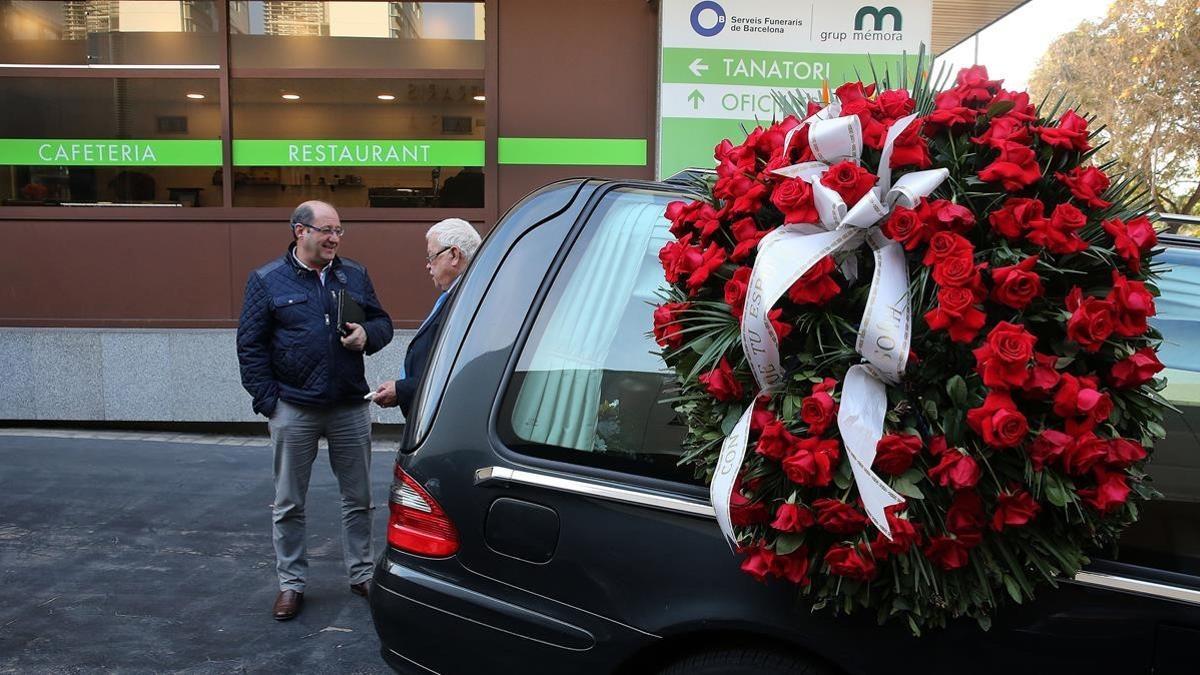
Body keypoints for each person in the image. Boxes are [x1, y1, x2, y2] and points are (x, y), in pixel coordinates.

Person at [236, 200, 393, 621]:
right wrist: (269, 402)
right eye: (326, 230)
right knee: (288, 503)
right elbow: (250, 346)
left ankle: (361, 574)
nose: (334, 239)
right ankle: (291, 584)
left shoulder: (353, 274)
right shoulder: (267, 280)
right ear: (299, 231)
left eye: (339, 231)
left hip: (348, 406)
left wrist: (367, 335)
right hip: (293, 407)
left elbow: (383, 323)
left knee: (359, 498)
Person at [372, 218, 481, 416]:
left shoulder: (470, 301)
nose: (428, 266)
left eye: (432, 256)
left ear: (454, 255)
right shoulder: (458, 295)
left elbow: (453, 372)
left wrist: (402, 390)